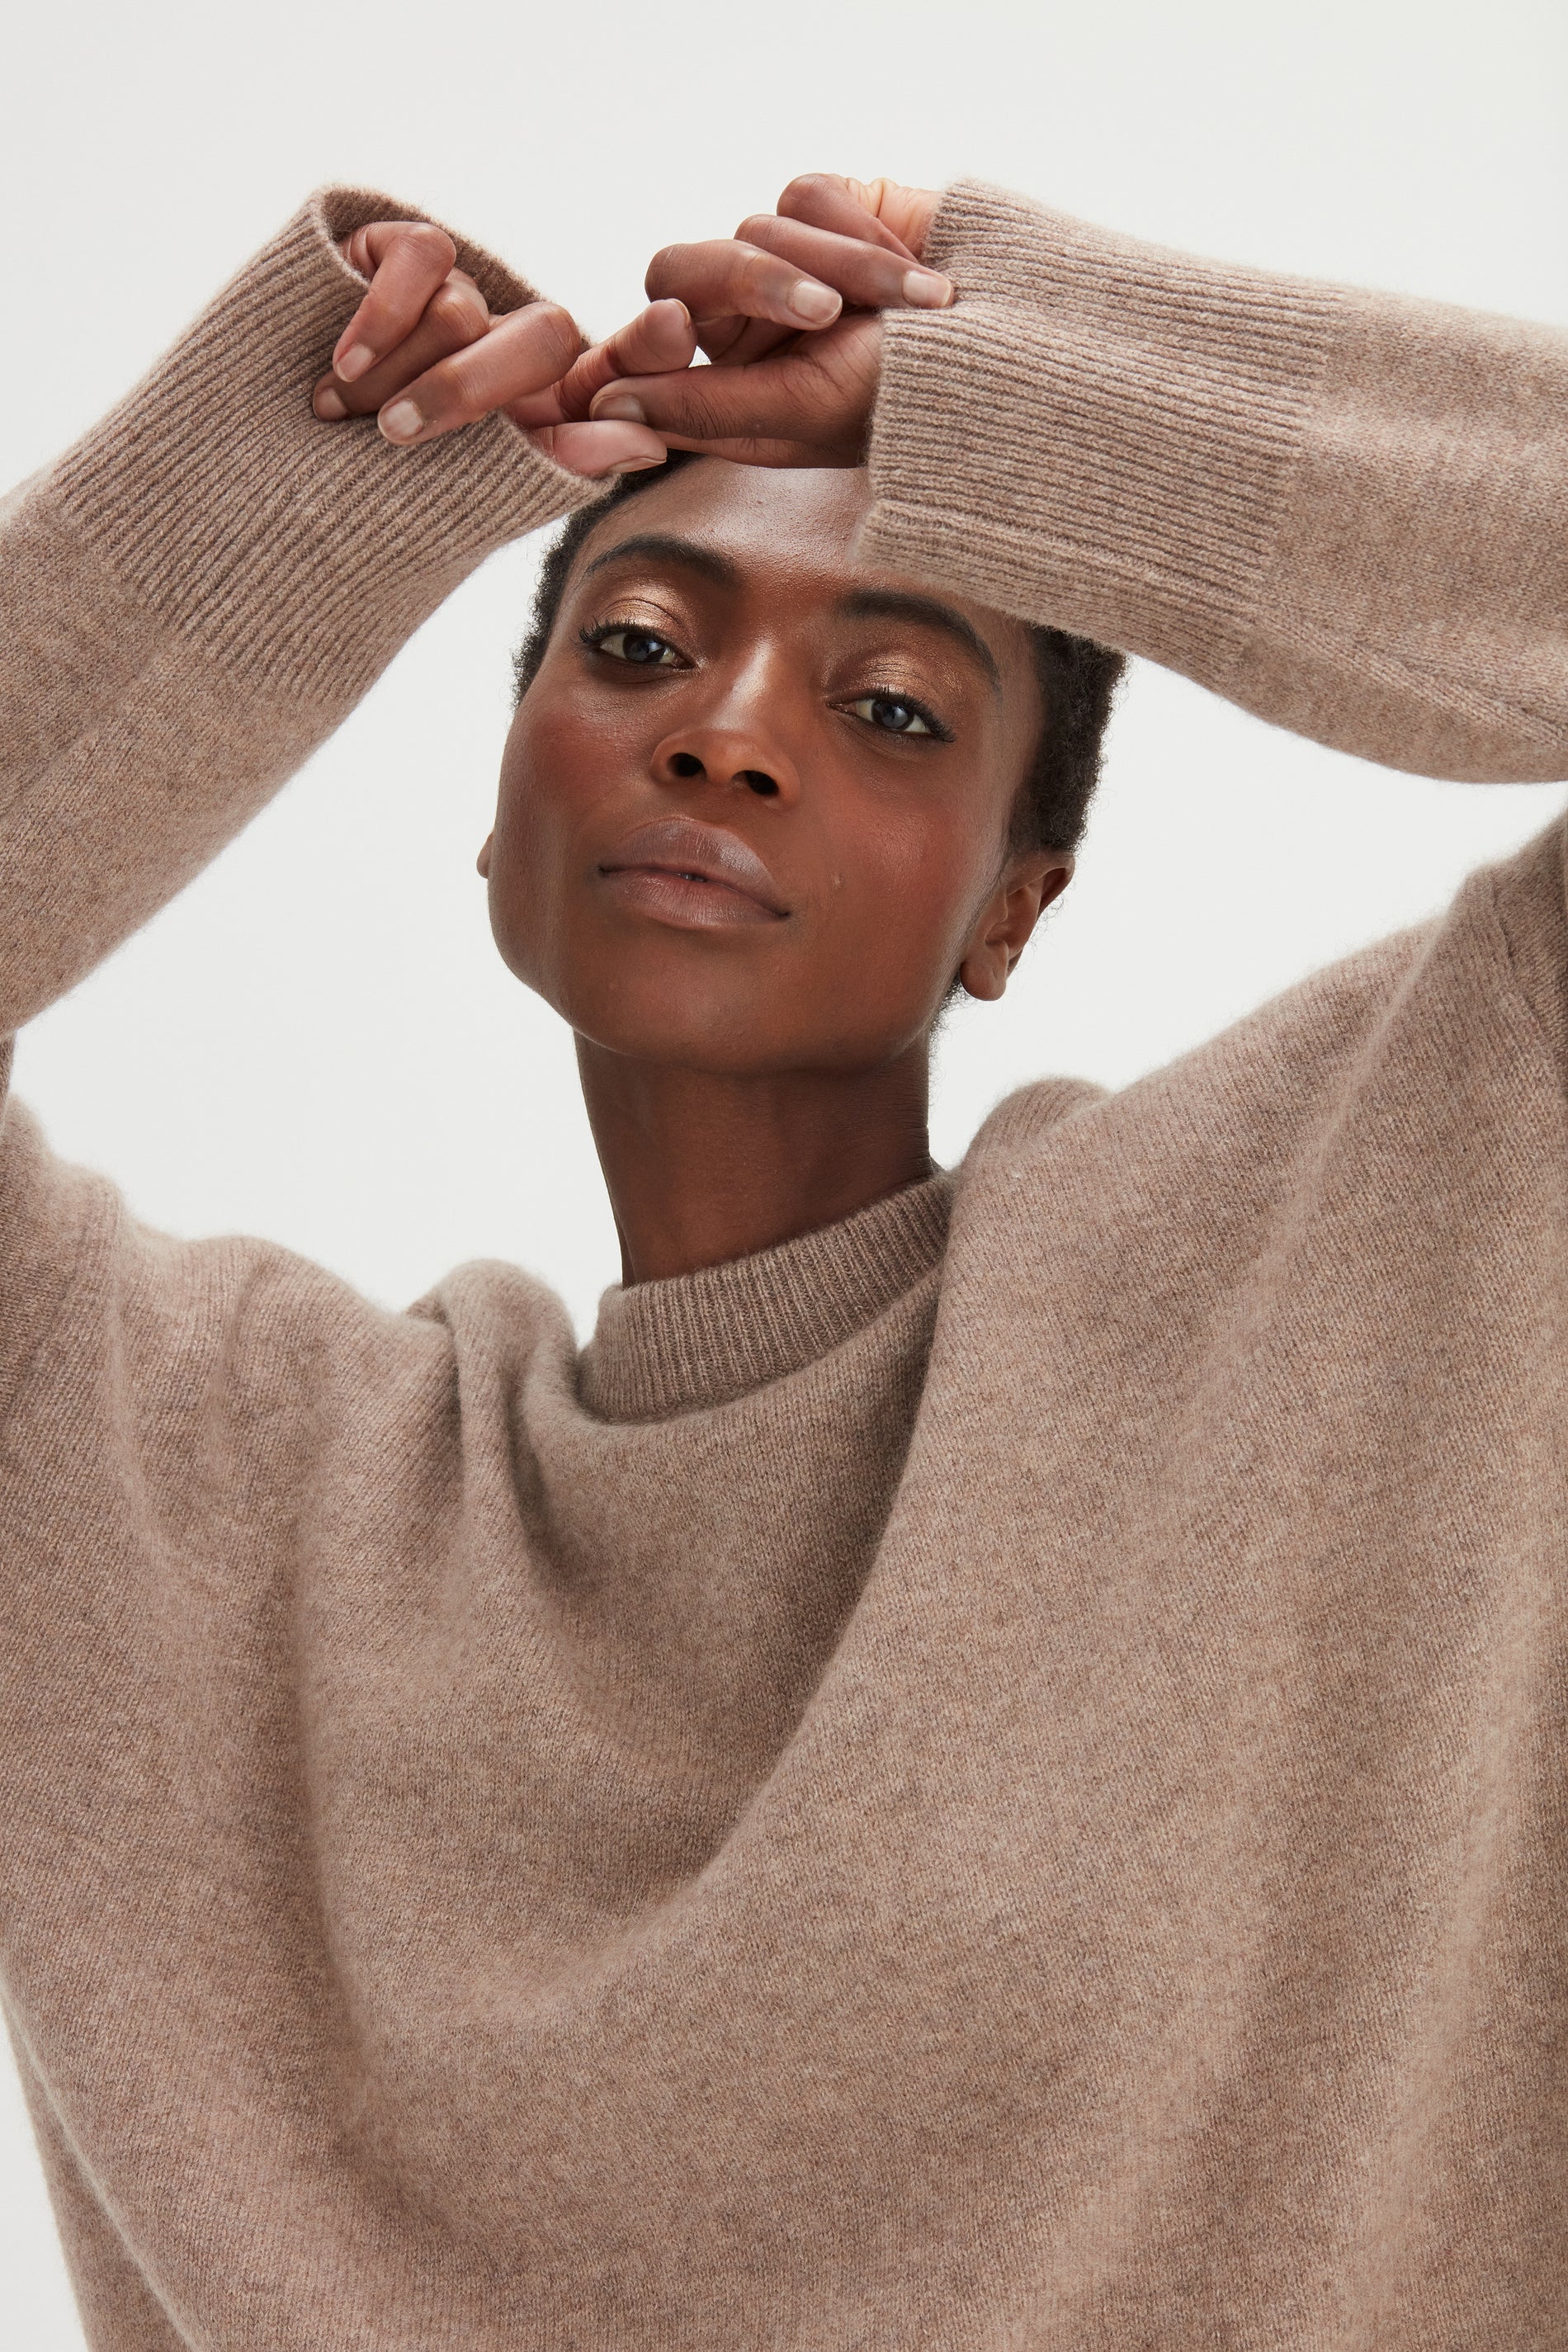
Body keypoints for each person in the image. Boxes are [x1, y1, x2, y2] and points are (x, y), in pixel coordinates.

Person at [2, 167, 1565, 2351]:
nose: (726, 733)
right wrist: (280, 499)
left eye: (895, 706)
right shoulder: (178, 1485)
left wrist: (1033, 399)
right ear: (498, 799)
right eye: (639, 643)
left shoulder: (1366, 1240)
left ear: (1016, 905)